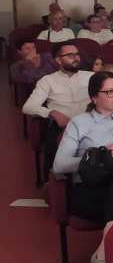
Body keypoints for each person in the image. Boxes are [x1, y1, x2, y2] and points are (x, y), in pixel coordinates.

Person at [52, 71, 113, 263]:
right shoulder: (79, 122)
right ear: (94, 97)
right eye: (110, 92)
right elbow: (60, 165)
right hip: (90, 191)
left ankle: (104, 249)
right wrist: (102, 155)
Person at [23, 43, 93, 174]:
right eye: (70, 55)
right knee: (55, 148)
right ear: (58, 60)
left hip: (91, 122)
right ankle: (54, 178)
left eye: (77, 54)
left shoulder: (91, 76)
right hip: (62, 126)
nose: (76, 58)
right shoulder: (47, 80)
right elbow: (28, 107)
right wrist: (52, 112)